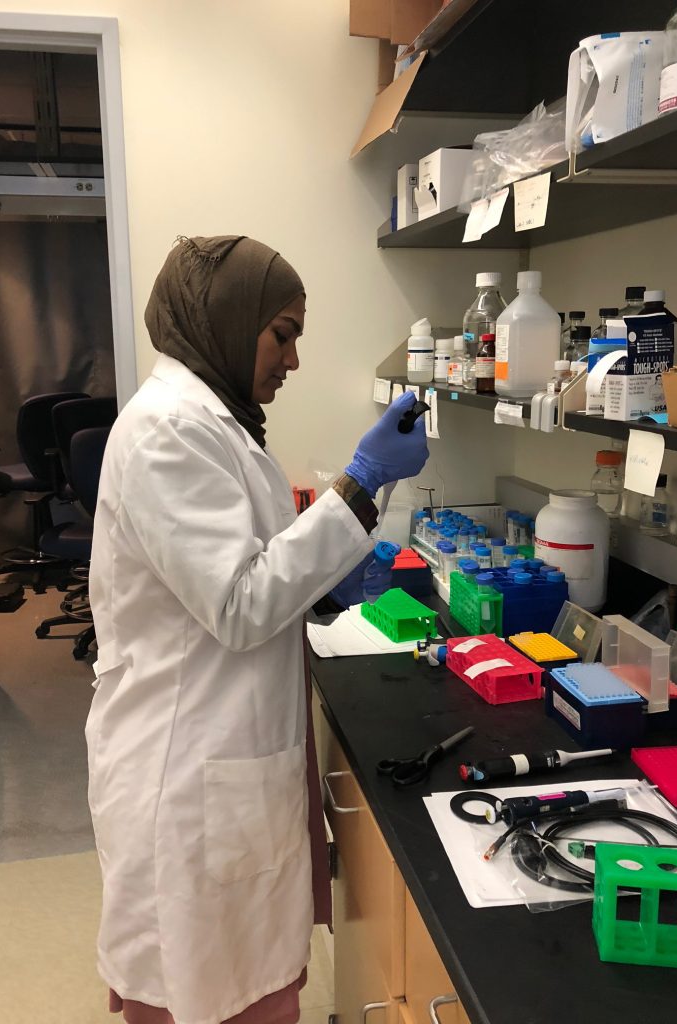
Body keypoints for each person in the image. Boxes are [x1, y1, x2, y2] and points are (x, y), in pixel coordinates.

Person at [85, 235, 428, 1024]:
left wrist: (330, 550)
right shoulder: (169, 431)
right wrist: (360, 484)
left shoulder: (214, 423)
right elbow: (239, 604)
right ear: (228, 323)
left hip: (216, 750)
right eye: (282, 333)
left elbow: (239, 571)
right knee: (204, 992)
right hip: (186, 770)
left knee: (235, 987)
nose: (294, 360)